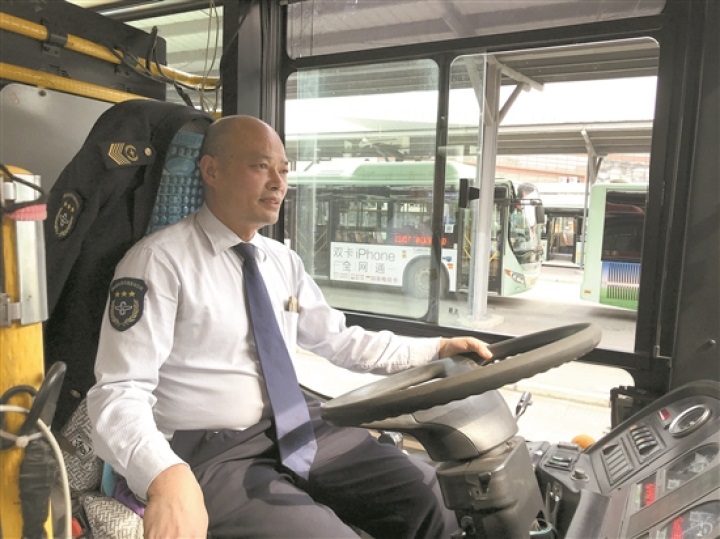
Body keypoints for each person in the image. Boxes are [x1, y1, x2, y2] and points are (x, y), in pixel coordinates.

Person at [87, 115, 493, 539]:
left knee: (435, 498)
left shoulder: (282, 261)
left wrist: (437, 349)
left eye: (284, 170)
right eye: (261, 166)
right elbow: (118, 391)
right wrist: (164, 473)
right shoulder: (158, 262)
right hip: (213, 450)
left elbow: (340, 340)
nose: (279, 183)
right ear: (211, 171)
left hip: (300, 425)